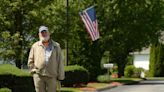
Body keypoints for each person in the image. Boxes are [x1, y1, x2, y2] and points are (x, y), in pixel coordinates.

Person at [28, 26, 65, 92]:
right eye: (42, 32)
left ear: (49, 33)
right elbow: (30, 60)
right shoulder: (35, 46)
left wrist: (60, 76)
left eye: (45, 32)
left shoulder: (56, 45)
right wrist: (33, 70)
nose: (44, 34)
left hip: (52, 75)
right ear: (39, 34)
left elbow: (60, 61)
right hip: (38, 75)